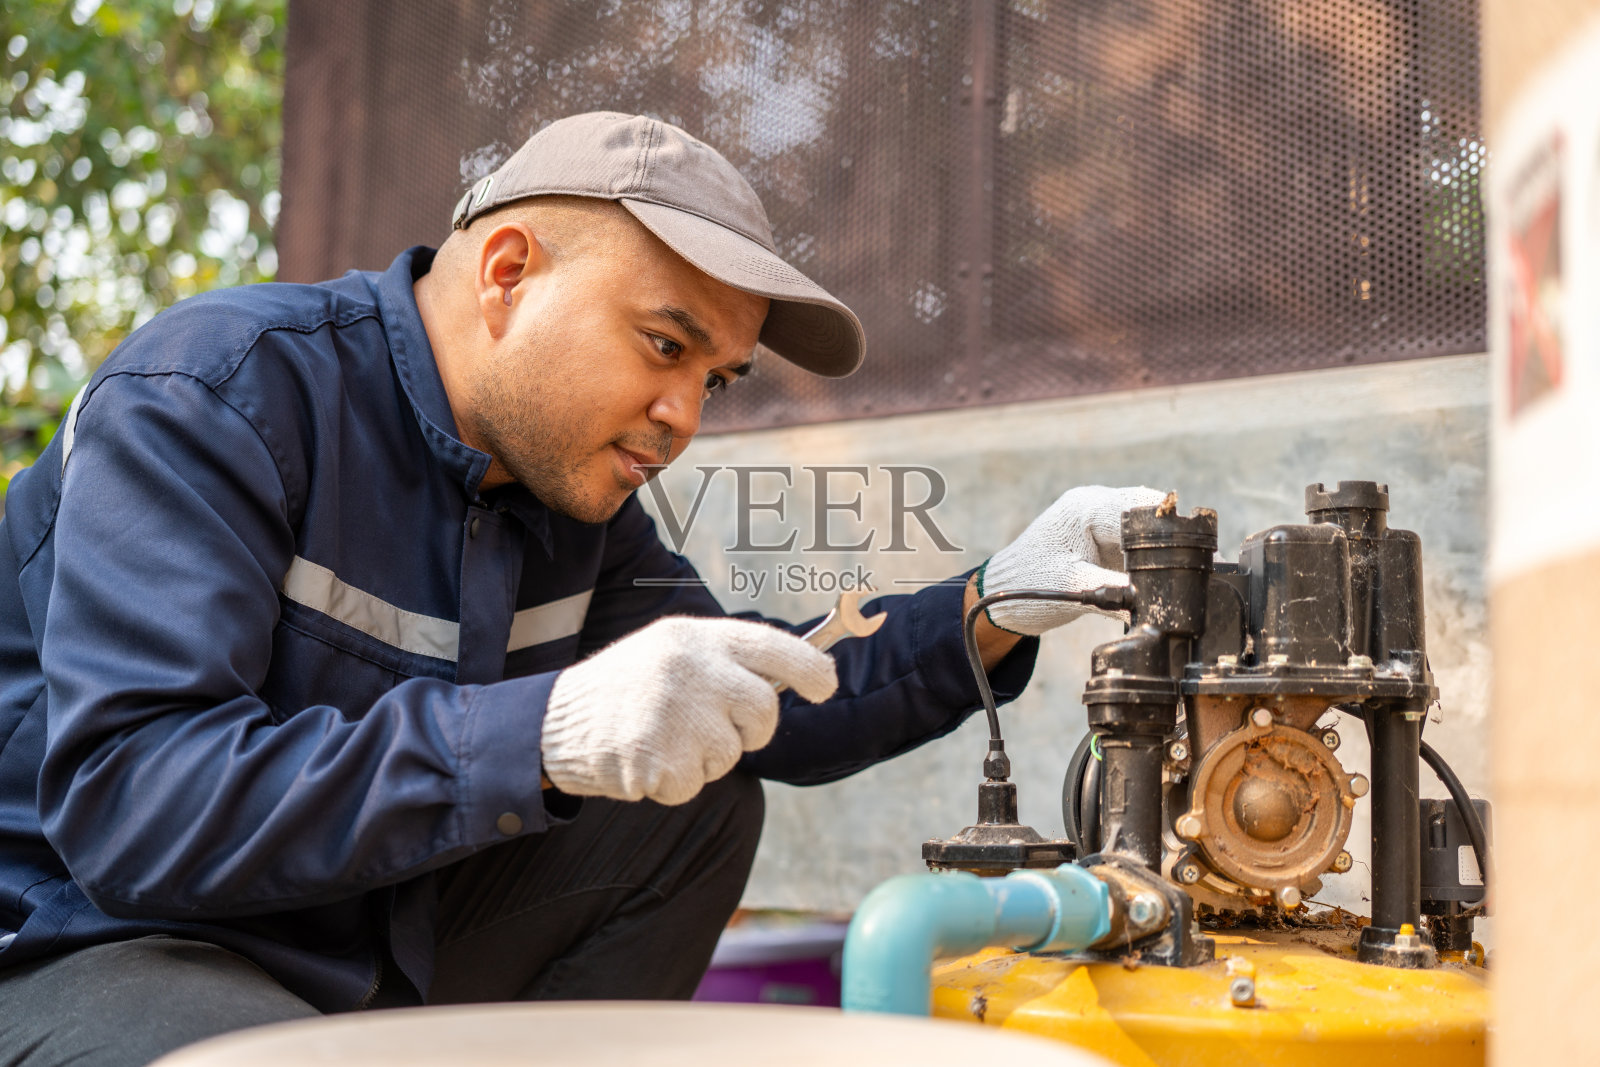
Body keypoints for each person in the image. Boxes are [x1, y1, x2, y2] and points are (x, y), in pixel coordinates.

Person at [0, 111, 1160, 1065]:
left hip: (362, 935)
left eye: (716, 378)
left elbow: (778, 693)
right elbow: (135, 806)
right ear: (508, 273)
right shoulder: (214, 398)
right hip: (93, 942)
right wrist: (540, 732)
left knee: (696, 801)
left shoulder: (565, 503)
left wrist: (995, 599)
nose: (685, 418)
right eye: (665, 345)